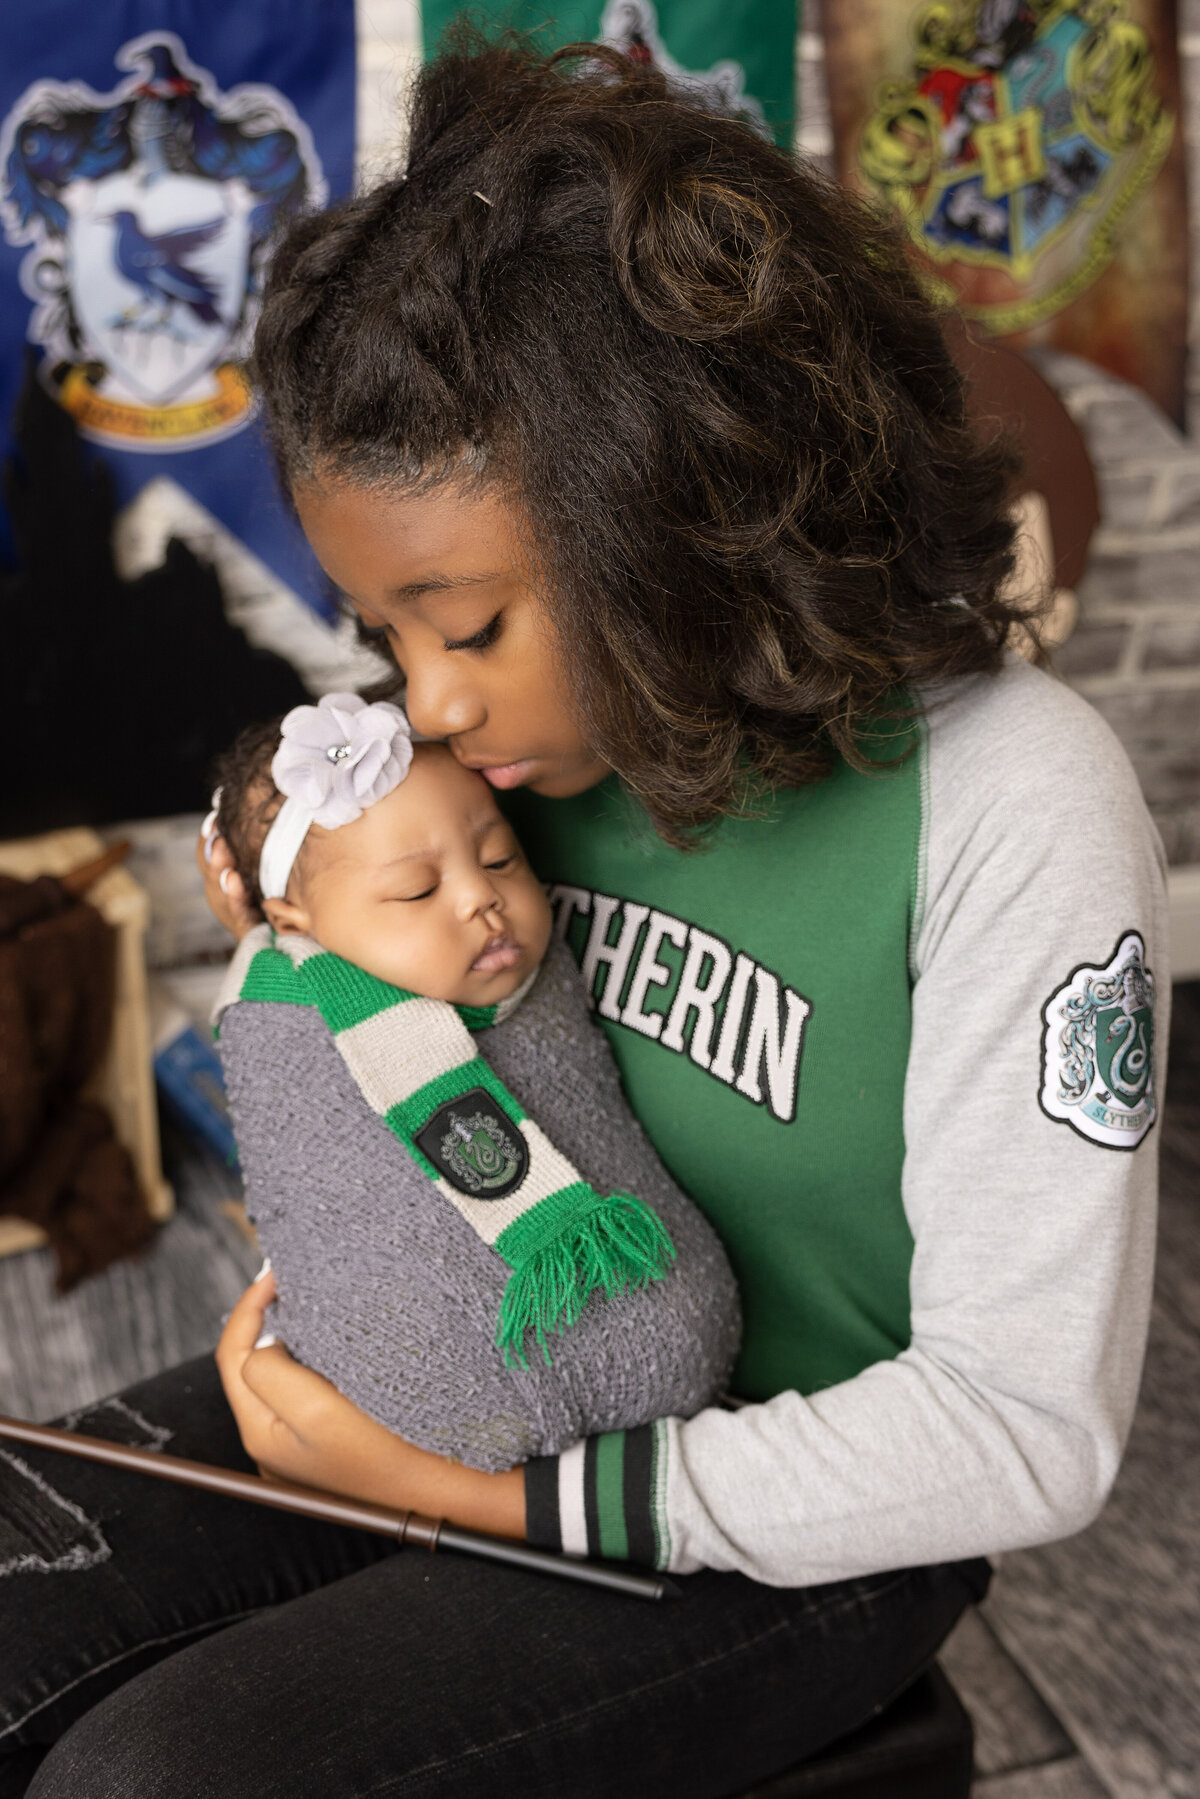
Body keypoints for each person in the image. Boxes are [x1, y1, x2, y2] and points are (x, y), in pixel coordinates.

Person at [2, 37, 1165, 1798]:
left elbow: (1030, 1427)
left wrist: (478, 1499)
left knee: (150, 1777)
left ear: (679, 528)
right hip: (477, 1368)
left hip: (798, 1505)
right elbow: (335, 965)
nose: (424, 702)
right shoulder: (494, 763)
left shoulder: (1017, 800)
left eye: (462, 629)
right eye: (389, 635)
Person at [210, 701, 739, 1460]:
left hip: (685, 1399)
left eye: (499, 859)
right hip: (418, 1411)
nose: (479, 897)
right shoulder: (284, 1015)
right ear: (293, 924)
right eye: (418, 890)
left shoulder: (541, 983)